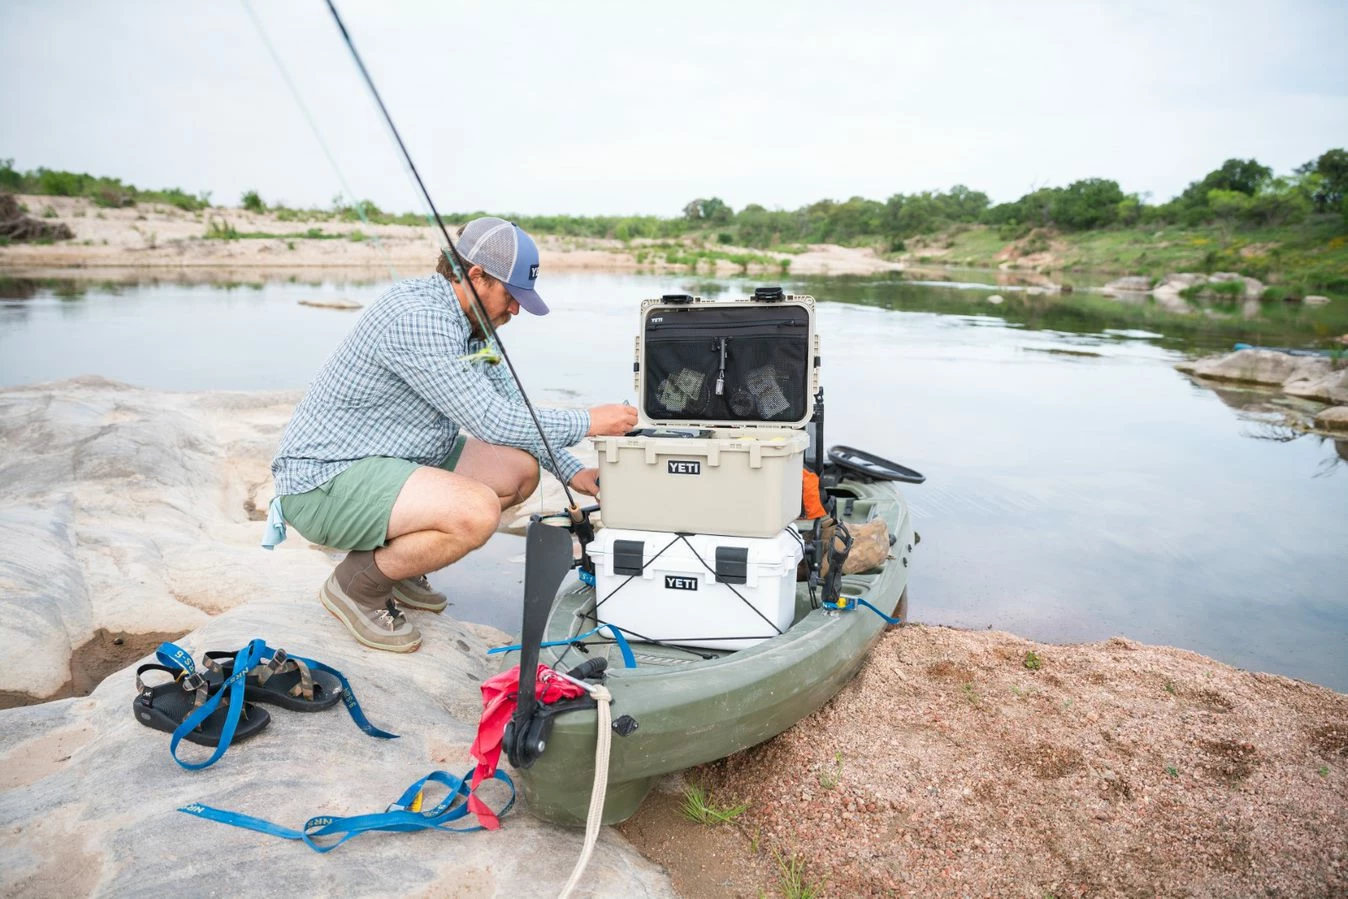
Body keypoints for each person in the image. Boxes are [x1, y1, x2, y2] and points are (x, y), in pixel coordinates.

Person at [264, 216, 637, 652]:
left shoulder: (473, 324)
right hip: (324, 482)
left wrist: (571, 470)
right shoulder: (421, 319)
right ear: (476, 276)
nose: (515, 310)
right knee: (476, 512)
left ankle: (394, 569)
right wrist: (591, 420)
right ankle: (357, 587)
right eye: (511, 296)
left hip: (389, 459)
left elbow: (511, 408)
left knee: (519, 472)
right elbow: (491, 422)